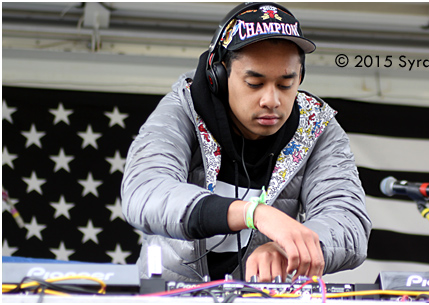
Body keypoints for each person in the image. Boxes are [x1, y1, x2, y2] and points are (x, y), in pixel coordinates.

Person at [121, 2, 371, 282]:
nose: (271, 100)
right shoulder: (183, 109)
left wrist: (291, 248)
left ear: (300, 77)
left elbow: (349, 223)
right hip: (175, 295)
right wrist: (253, 213)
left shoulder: (317, 127)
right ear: (219, 76)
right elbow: (144, 192)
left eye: (286, 84)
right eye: (254, 83)